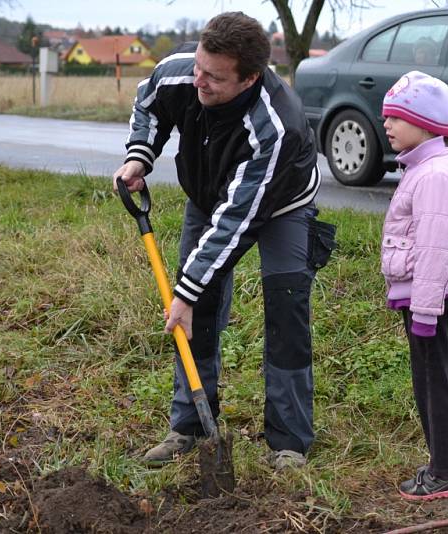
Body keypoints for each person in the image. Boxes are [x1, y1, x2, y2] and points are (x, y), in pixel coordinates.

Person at [113, 12, 335, 471]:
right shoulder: (182, 72)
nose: (199, 81)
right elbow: (149, 104)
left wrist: (189, 287)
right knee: (195, 307)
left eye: (214, 77)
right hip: (207, 193)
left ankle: (289, 440)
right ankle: (190, 425)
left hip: (281, 205)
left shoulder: (277, 126)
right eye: (198, 66)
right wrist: (140, 154)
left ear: (250, 77)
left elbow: (239, 218)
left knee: (285, 307)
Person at [379, 71, 448, 500]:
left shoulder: (433, 175)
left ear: (425, 123)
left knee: (432, 383)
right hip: (426, 295)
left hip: (429, 299)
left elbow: (435, 252)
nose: (387, 125)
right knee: (441, 376)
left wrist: (423, 310)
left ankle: (443, 474)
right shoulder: (424, 167)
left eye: (396, 117)